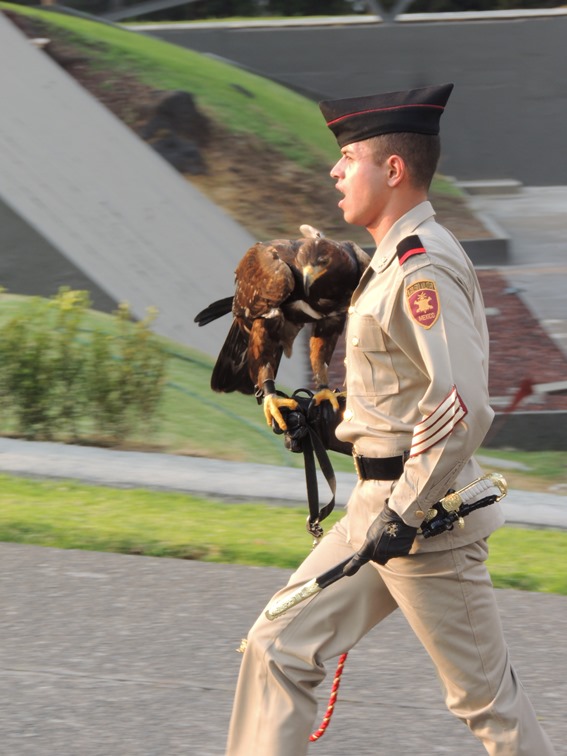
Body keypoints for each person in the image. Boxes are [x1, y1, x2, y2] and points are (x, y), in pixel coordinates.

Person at [225, 83, 556, 756]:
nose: (334, 171)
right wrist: (331, 417)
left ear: (393, 170)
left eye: (348, 157)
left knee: (487, 705)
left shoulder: (419, 266)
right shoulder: (386, 262)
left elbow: (461, 403)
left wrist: (403, 514)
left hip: (422, 523)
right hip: (376, 508)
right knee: (276, 647)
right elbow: (405, 391)